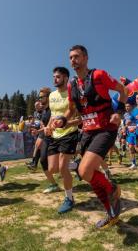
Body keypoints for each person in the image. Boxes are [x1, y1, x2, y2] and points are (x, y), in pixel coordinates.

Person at [61, 45, 127, 229]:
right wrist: (62, 119)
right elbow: (71, 109)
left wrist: (119, 113)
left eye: (76, 56)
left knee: (84, 171)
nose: (73, 60)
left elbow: (123, 90)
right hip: (87, 132)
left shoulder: (99, 75)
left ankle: (112, 189)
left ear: (86, 58)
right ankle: (111, 213)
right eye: (70, 58)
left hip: (106, 129)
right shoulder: (71, 85)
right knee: (89, 174)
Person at [44, 67, 81, 213]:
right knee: (53, 168)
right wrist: (48, 127)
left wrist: (66, 123)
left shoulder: (73, 94)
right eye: (54, 77)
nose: (55, 79)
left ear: (66, 78)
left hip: (70, 133)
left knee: (63, 168)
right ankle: (76, 166)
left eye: (58, 77)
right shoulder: (52, 95)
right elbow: (53, 116)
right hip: (55, 135)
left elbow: (79, 118)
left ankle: (69, 198)